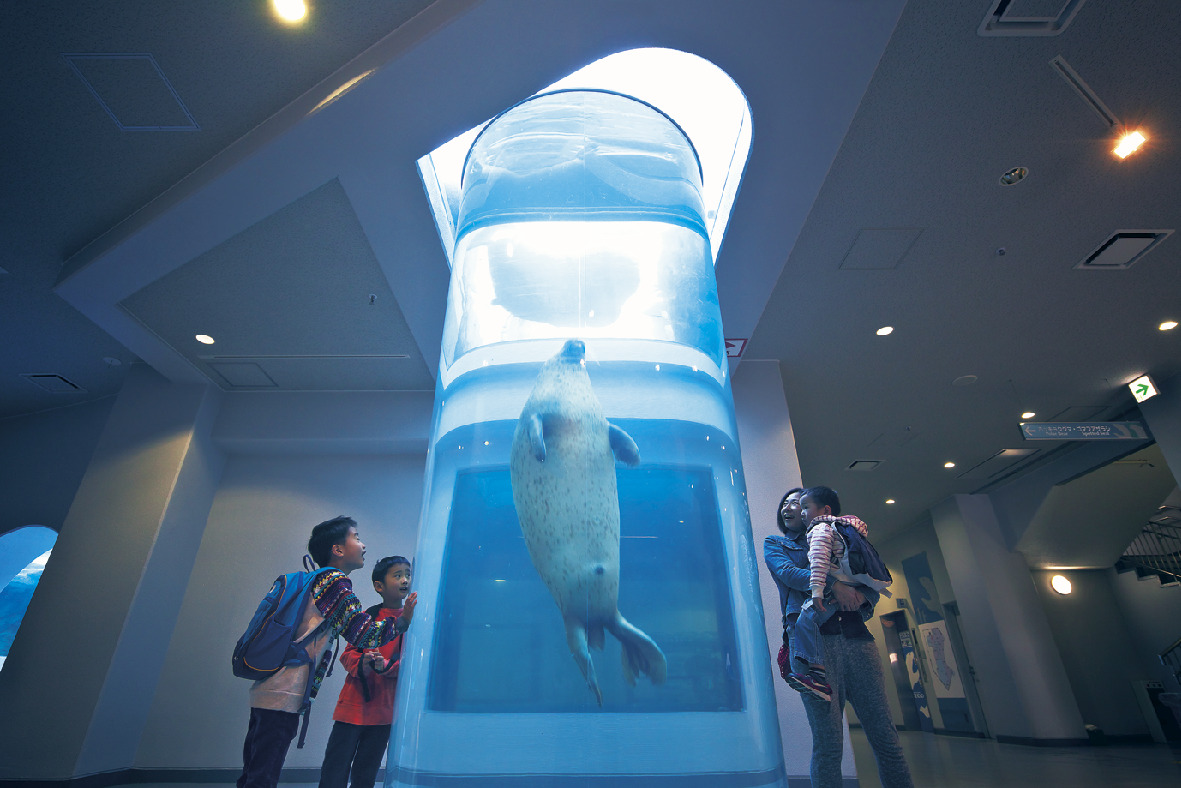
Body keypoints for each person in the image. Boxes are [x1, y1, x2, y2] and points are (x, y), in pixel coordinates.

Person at [238, 517, 412, 788]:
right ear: (338, 549)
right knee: (263, 775)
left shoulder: (317, 580)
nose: (363, 545)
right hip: (285, 690)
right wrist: (402, 622)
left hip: (270, 688)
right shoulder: (334, 581)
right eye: (356, 537)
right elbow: (362, 633)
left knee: (255, 770)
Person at [764, 487, 913, 788]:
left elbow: (871, 575)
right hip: (814, 648)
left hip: (859, 640)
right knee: (829, 744)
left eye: (798, 503)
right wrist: (835, 585)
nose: (789, 508)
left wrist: (861, 596)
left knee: (886, 737)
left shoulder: (841, 534)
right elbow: (789, 574)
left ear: (819, 509)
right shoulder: (776, 543)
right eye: (785, 504)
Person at [319, 556, 416, 788]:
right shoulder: (368, 616)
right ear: (378, 586)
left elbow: (413, 665)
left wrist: (387, 667)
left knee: (366, 772)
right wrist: (363, 662)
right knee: (335, 768)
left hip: (384, 713)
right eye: (398, 575)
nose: (405, 580)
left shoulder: (414, 623)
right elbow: (348, 654)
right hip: (352, 708)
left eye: (408, 574)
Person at [785, 486, 876, 701]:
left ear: (825, 510)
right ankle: (818, 676)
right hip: (856, 585)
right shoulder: (847, 526)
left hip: (838, 602)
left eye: (804, 506)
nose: (801, 512)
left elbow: (818, 563)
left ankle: (817, 675)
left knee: (806, 619)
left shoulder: (820, 529)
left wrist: (818, 591)